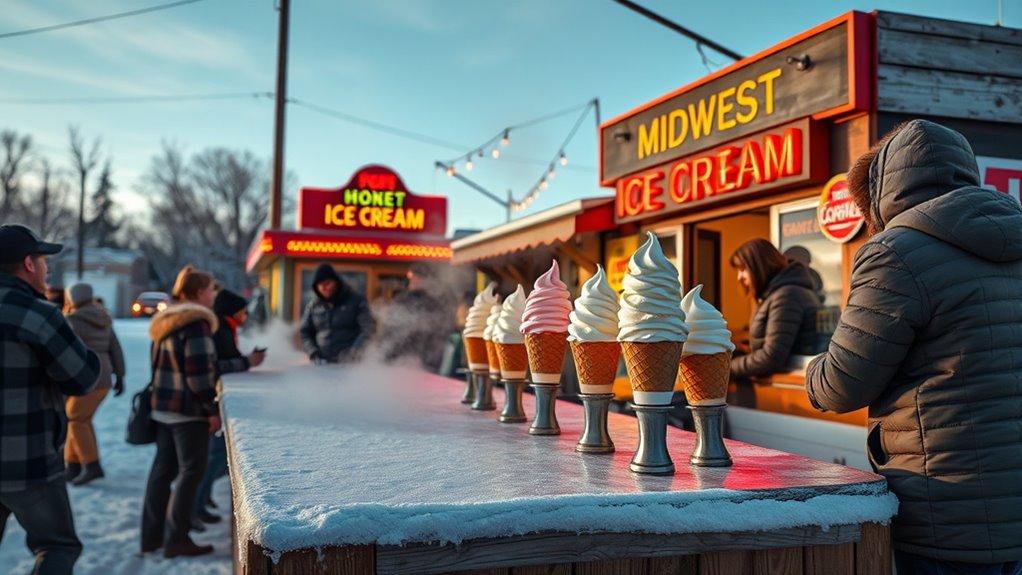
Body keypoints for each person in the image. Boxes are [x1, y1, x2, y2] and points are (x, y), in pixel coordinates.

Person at [805, 120, 1022, 574]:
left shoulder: (895, 252)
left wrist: (814, 366)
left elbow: (838, 387)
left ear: (881, 193)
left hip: (945, 510)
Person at [0, 224, 101, 574]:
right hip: (27, 463)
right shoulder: (38, 314)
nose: (48, 270)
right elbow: (83, 378)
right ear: (28, 264)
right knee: (57, 545)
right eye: (44, 262)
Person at [141, 265, 219, 558]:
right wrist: (211, 409)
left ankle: (151, 537)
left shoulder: (166, 321)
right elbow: (199, 377)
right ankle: (177, 538)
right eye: (212, 289)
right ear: (200, 292)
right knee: (192, 472)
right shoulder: (196, 324)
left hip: (162, 409)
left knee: (162, 473)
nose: (214, 295)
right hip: (187, 413)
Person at [193, 289, 265, 527]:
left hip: (213, 399)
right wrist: (247, 362)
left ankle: (201, 501)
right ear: (234, 312)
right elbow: (216, 365)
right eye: (244, 312)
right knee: (213, 458)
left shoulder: (224, 328)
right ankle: (196, 506)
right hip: (208, 402)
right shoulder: (220, 329)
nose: (246, 316)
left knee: (212, 457)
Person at [729, 238, 821, 378]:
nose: (739, 277)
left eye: (742, 269)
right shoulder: (778, 294)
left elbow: (771, 357)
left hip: (792, 384)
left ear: (760, 266)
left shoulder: (786, 296)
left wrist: (725, 369)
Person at [63, 282, 126, 486]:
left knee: (76, 419)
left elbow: (64, 352)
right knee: (80, 419)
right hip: (104, 378)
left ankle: (91, 465)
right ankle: (73, 464)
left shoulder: (71, 320)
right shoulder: (104, 318)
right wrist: (120, 376)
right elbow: (115, 348)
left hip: (84, 378)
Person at [380, 263, 456, 372]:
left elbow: (441, 331)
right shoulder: (404, 300)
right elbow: (390, 331)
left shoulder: (436, 302)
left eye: (414, 277)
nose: (412, 281)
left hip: (421, 360)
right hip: (407, 359)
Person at [299, 263, 374, 363]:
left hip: (351, 365)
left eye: (327, 283)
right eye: (320, 285)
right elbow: (305, 332)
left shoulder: (356, 300)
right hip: (321, 364)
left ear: (336, 282)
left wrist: (355, 351)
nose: (323, 288)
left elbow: (368, 329)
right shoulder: (313, 305)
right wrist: (312, 352)